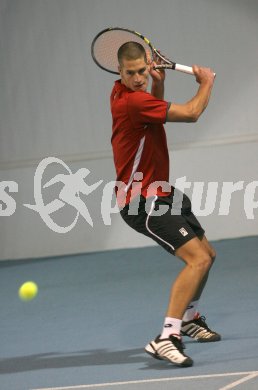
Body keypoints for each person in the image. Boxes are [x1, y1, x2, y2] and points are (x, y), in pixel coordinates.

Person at [110, 41, 220, 367]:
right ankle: (167, 337)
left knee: (208, 255)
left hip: (162, 193)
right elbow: (192, 113)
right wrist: (207, 83)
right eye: (131, 73)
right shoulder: (130, 102)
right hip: (140, 202)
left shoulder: (130, 95)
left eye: (143, 71)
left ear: (147, 64)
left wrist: (159, 84)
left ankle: (188, 318)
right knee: (197, 260)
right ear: (119, 72)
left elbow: (152, 116)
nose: (138, 77)